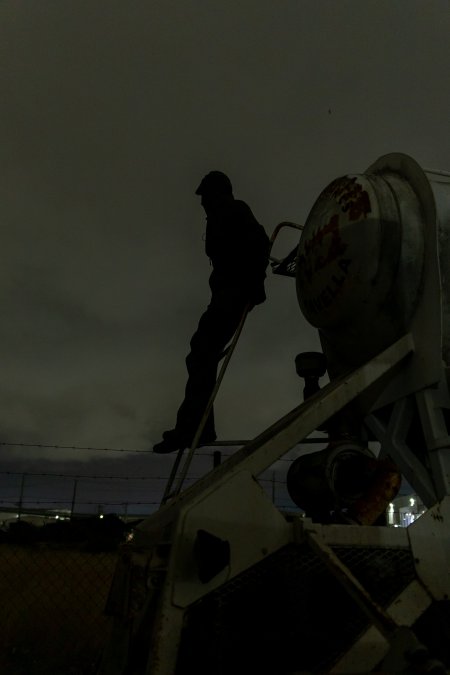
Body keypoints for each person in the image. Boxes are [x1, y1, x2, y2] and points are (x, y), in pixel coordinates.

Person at [153, 171, 270, 453]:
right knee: (200, 355)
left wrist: (254, 286)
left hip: (233, 294)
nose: (202, 202)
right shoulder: (221, 216)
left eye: (205, 195)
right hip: (225, 294)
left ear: (217, 193)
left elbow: (261, 244)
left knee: (201, 353)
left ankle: (194, 428)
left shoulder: (234, 210)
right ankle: (198, 427)